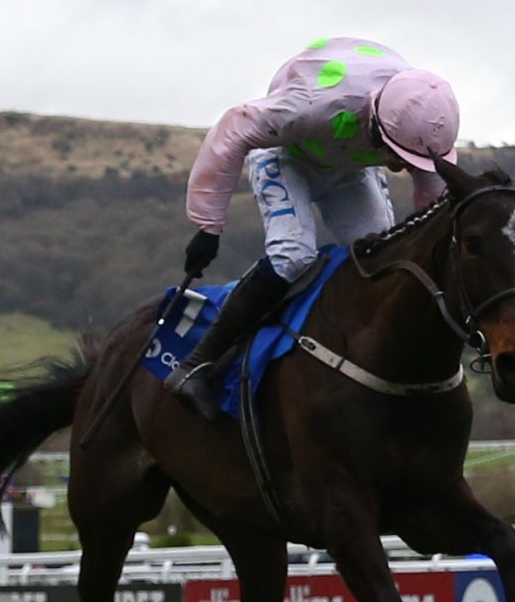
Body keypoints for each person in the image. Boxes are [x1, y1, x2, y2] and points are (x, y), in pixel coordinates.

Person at [164, 37, 462, 419]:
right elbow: (231, 131)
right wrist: (208, 227)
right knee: (293, 256)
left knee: (381, 261)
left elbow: (430, 193)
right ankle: (197, 366)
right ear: (375, 120)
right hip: (287, 155)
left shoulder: (424, 119)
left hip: (347, 165)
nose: (401, 167)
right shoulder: (308, 107)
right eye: (396, 154)